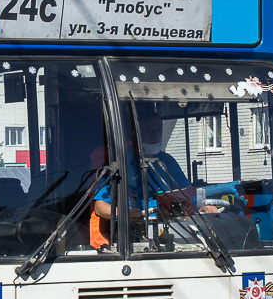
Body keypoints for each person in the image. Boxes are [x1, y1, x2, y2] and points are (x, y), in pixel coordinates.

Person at [91, 105, 216, 249]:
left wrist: (202, 207)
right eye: (150, 130)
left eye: (158, 130)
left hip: (171, 229)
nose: (156, 135)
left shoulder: (166, 161)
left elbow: (186, 193)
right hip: (130, 234)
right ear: (135, 133)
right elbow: (100, 208)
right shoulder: (120, 163)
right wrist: (125, 214)